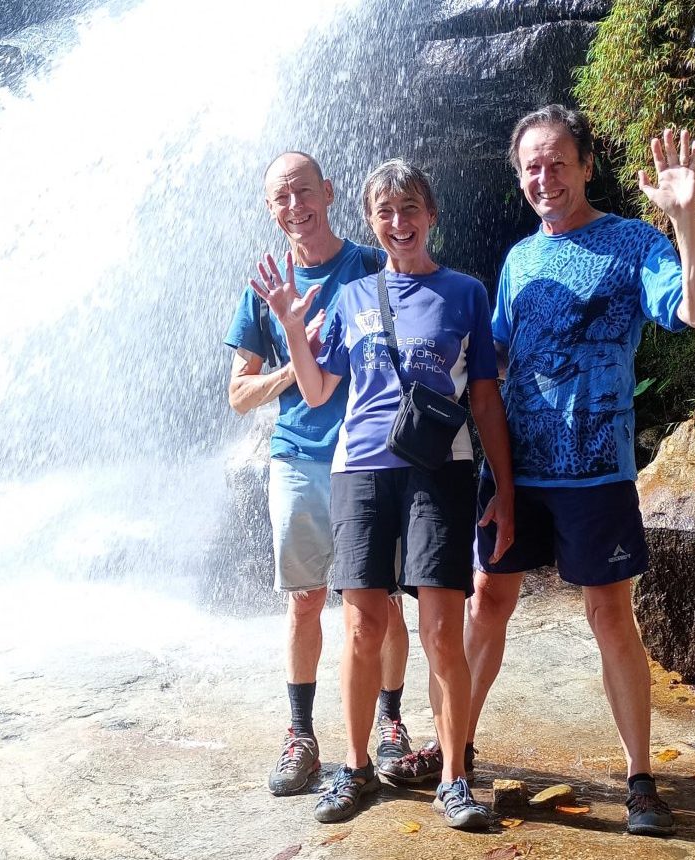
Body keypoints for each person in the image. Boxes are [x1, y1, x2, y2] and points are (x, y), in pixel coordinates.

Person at [388, 105, 695, 838]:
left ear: (586, 165)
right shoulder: (518, 260)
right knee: (487, 601)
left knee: (610, 614)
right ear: (520, 177)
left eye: (557, 162)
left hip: (597, 471)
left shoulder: (633, 243)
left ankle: (640, 780)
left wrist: (685, 220)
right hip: (516, 469)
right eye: (531, 167)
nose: (545, 178)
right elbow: (494, 361)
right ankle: (454, 752)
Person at [250, 158, 515, 829]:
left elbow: (485, 399)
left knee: (441, 630)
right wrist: (290, 327)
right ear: (370, 221)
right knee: (364, 624)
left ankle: (454, 777)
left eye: (410, 209)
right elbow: (318, 392)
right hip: (360, 471)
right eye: (385, 213)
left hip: (440, 470)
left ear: (430, 215)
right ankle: (356, 765)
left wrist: (504, 488)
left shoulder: (465, 292)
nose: (399, 224)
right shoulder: (352, 296)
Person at [224, 151, 412, 799]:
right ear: (269, 209)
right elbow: (239, 394)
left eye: (304, 191)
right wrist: (294, 347)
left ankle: (390, 722)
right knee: (305, 600)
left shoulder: (371, 264)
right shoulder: (266, 286)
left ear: (329, 193)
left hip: (370, 456)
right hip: (298, 457)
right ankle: (301, 734)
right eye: (281, 197)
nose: (295, 206)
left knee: (381, 599)